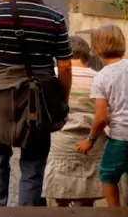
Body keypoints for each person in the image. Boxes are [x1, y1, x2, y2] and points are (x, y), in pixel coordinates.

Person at [0, 0, 73, 207]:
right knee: (34, 159)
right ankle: (28, 215)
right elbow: (66, 66)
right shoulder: (56, 18)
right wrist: (62, 101)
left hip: (3, 91)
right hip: (40, 95)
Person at [78, 25, 128, 208]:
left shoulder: (102, 77)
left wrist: (90, 140)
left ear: (96, 47)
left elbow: (101, 118)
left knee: (108, 174)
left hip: (123, 136)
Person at [43, 36, 105, 206]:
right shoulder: (99, 77)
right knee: (86, 194)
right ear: (88, 55)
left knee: (60, 194)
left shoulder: (54, 75)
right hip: (92, 140)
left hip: (60, 139)